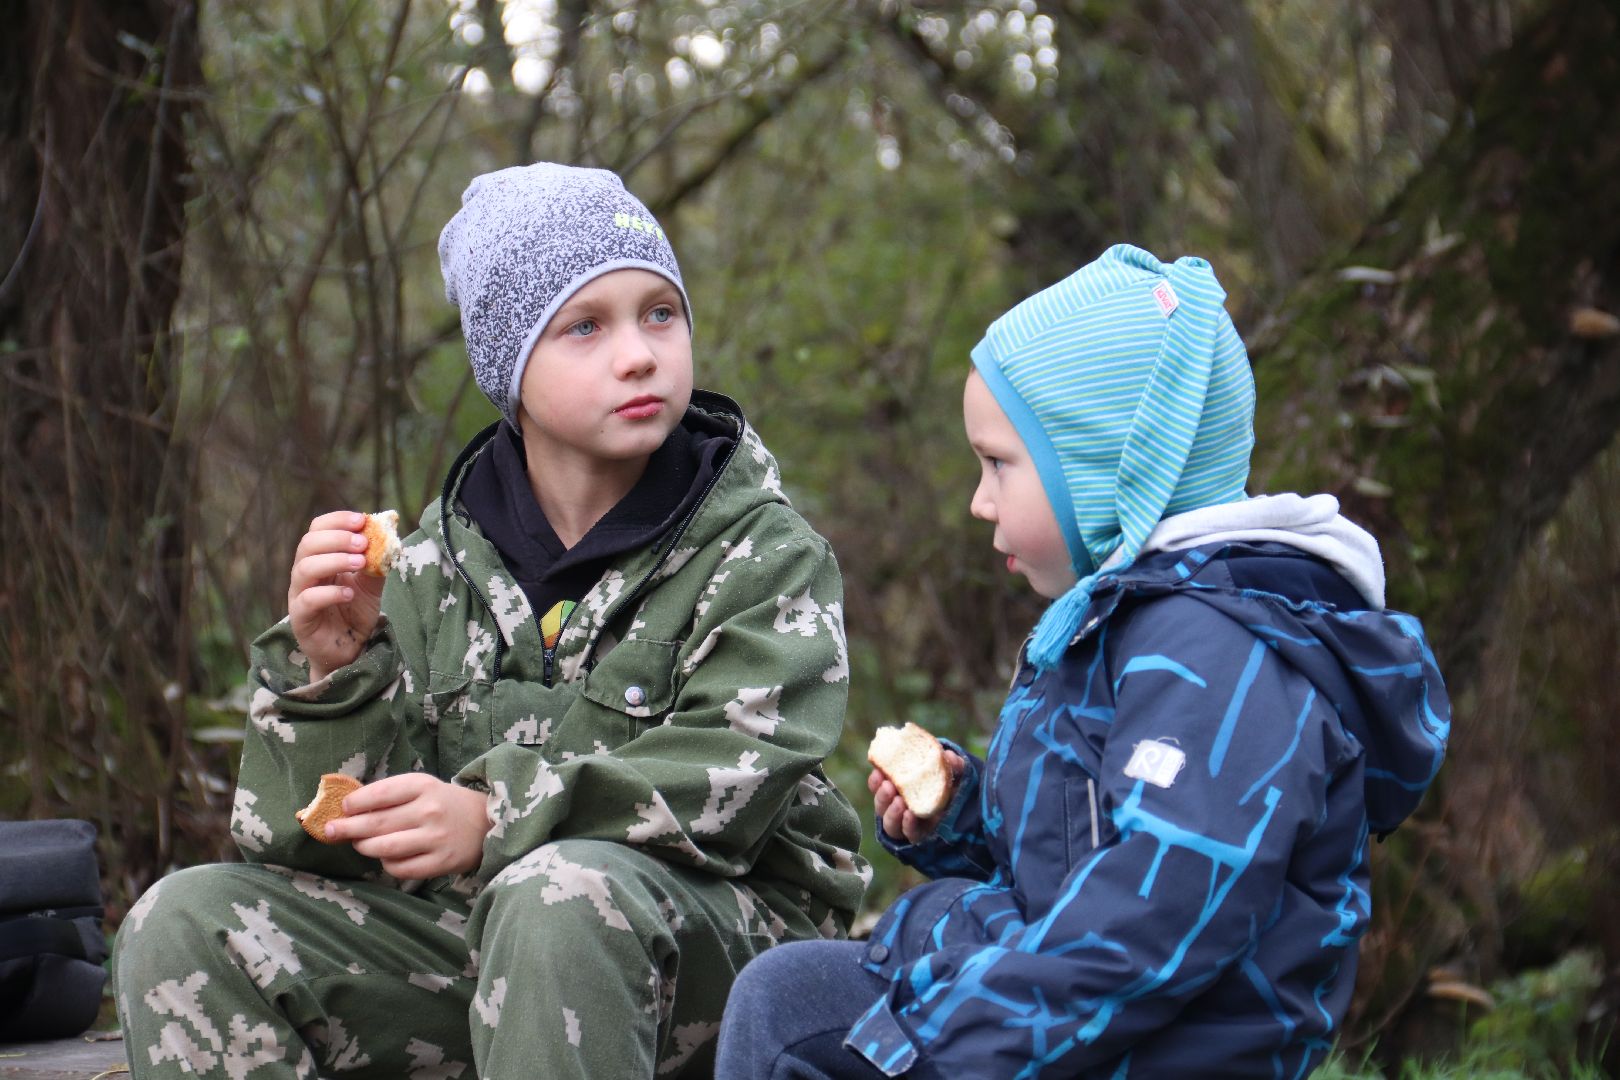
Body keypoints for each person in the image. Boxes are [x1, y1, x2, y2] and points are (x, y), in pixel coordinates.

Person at [111, 162, 868, 1079]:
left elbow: (730, 783)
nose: (638, 353)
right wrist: (333, 674)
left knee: (558, 897)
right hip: (480, 936)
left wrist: (496, 811)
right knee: (182, 922)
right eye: (585, 326)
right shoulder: (428, 566)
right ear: (508, 369)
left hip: (731, 945)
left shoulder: (764, 551)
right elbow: (293, 844)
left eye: (659, 313)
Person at [715, 243, 1451, 1078]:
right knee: (783, 998)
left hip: (1154, 1051)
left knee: (791, 1028)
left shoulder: (1217, 654)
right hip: (1064, 1011)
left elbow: (1149, 927)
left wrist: (931, 1051)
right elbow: (1081, 852)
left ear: (1108, 473)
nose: (978, 500)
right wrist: (962, 813)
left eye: (999, 464)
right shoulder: (1132, 621)